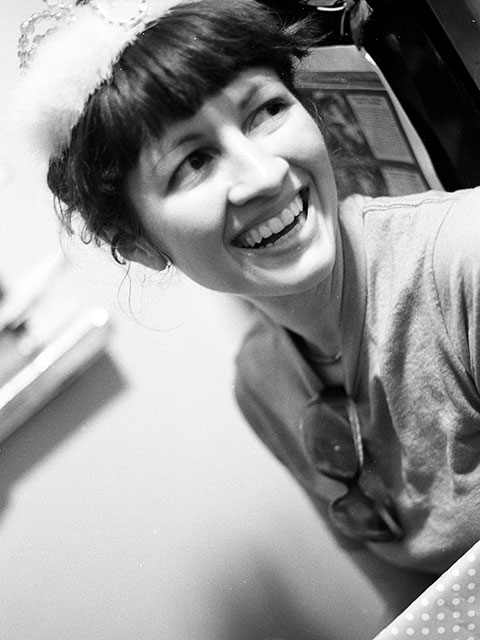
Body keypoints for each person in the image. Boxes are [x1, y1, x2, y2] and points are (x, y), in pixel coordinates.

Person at [13, 0, 480, 607]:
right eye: (194, 161)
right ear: (139, 245)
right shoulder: (262, 384)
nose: (263, 175)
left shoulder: (465, 259)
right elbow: (410, 607)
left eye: (266, 111)